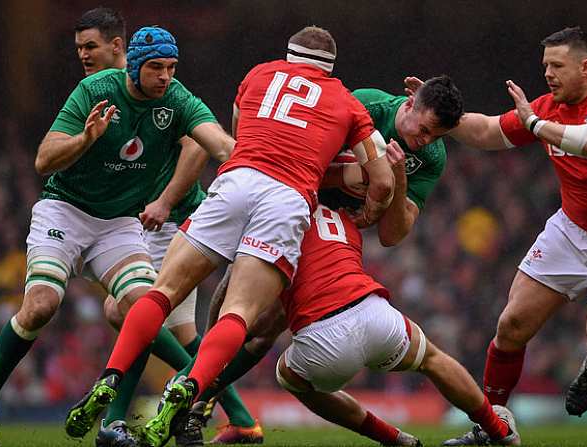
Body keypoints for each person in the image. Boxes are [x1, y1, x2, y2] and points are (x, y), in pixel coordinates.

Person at [66, 26, 395, 447]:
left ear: (290, 56)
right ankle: (191, 389)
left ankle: (110, 376)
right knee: (238, 314)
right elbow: (382, 182)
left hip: (237, 180)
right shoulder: (349, 103)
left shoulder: (258, 75)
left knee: (161, 291)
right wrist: (369, 211)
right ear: (331, 67)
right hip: (287, 198)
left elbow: (239, 133)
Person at [0, 25, 234, 447]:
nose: (165, 76)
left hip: (119, 223)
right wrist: (86, 138)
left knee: (141, 310)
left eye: (171, 67)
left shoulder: (177, 99)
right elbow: (43, 161)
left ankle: (114, 423)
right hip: (65, 210)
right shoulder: (95, 90)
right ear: (134, 69)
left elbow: (218, 144)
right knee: (41, 306)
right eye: (156, 68)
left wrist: (258, 168)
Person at [165, 75, 465, 440]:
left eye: (436, 136)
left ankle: (194, 404)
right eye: (424, 129)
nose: (426, 140)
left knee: (262, 327)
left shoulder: (431, 157)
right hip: (292, 205)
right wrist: (353, 179)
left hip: (332, 234)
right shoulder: (367, 105)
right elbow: (303, 156)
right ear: (410, 103)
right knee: (233, 310)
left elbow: (392, 235)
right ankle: (209, 406)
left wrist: (395, 178)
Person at [405, 26, 587, 444]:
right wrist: (439, 118)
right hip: (572, 230)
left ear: (586, 66)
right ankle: (492, 429)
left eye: (557, 66)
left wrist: (536, 124)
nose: (547, 74)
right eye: (545, 65)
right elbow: (488, 131)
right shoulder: (548, 109)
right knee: (510, 326)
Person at [71, 8, 260, 446]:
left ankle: (117, 420)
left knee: (129, 312)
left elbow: (197, 142)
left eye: (91, 47)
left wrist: (164, 199)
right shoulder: (105, 92)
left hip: (168, 223)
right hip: (148, 222)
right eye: (79, 48)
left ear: (118, 48)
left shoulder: (162, 89)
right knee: (176, 333)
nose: (83, 56)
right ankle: (239, 416)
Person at [274, 177, 521, 445]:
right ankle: (499, 431)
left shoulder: (277, 219)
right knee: (432, 359)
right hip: (373, 312)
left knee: (289, 377)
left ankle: (392, 438)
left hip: (323, 336)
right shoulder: (344, 218)